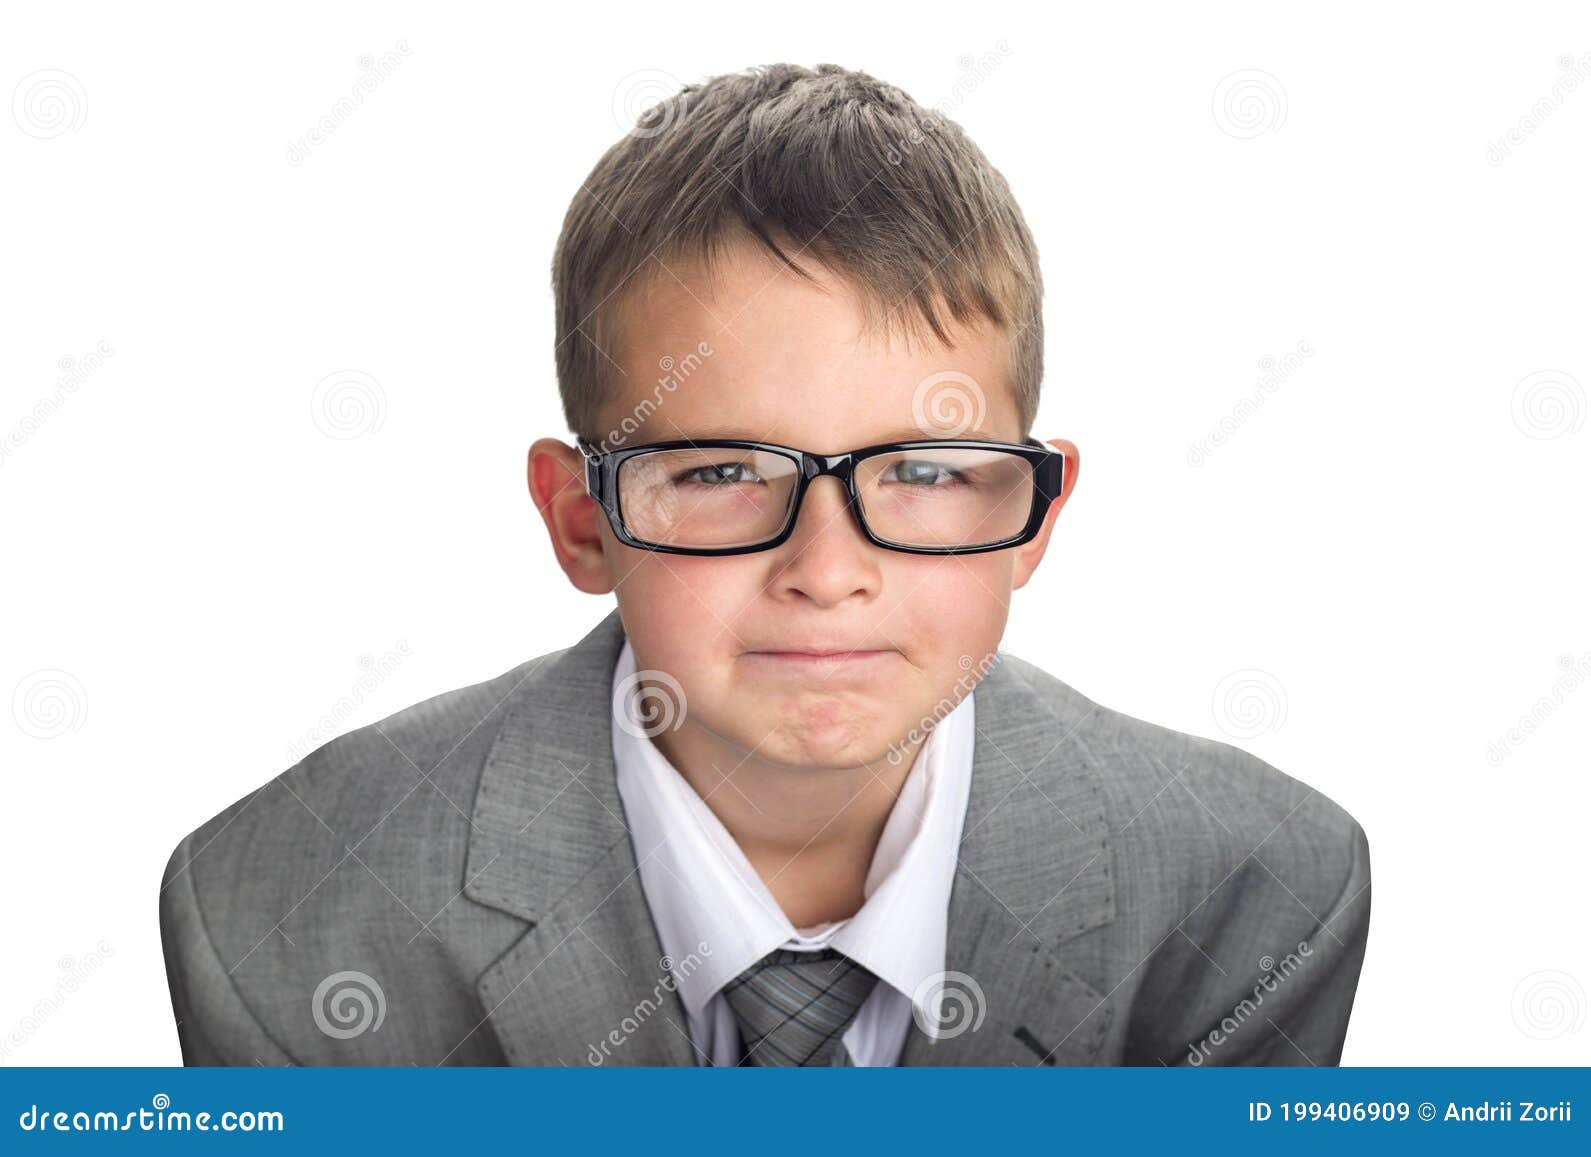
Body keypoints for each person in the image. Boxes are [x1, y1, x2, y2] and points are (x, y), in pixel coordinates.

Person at [160, 62, 1370, 1067]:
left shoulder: (1255, 895)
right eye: (720, 471)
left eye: (930, 471)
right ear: (582, 521)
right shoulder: (284, 915)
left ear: (1034, 514)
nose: (827, 569)